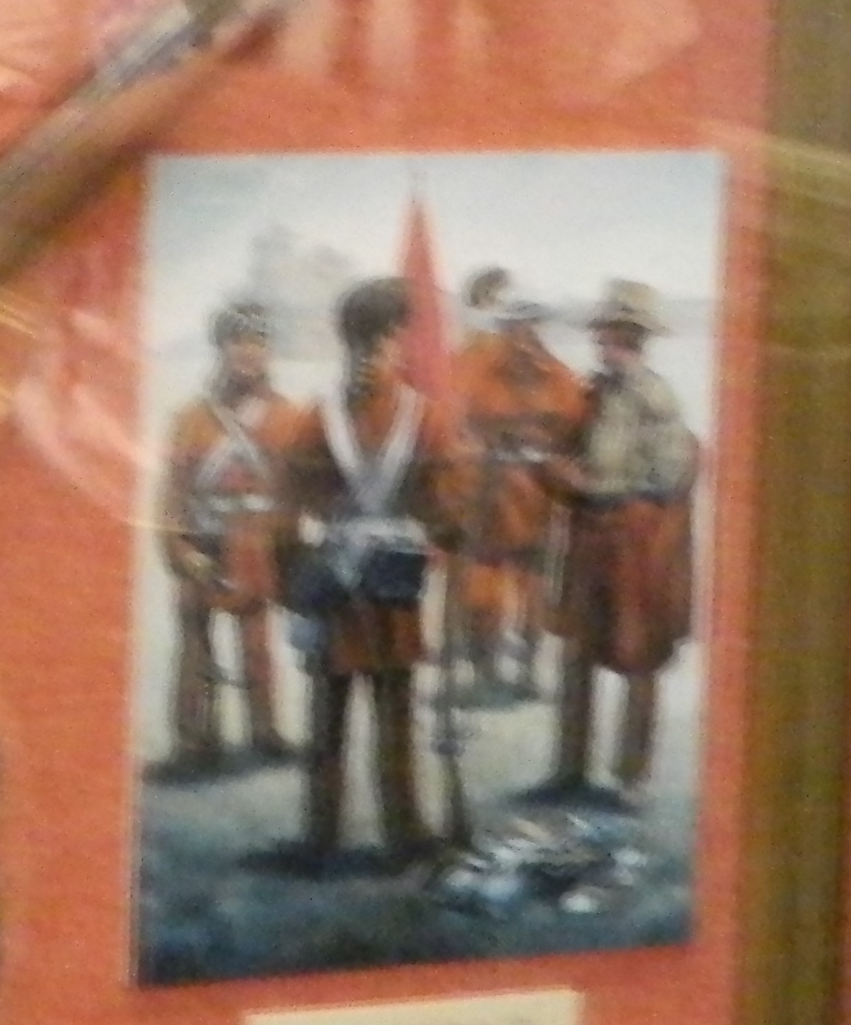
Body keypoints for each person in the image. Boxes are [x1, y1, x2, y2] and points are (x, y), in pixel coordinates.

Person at [280, 277, 452, 866]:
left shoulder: (322, 415)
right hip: (373, 583)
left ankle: (334, 836)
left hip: (353, 581)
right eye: (383, 337)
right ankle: (390, 835)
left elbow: (291, 498)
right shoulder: (417, 417)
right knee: (375, 713)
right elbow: (443, 503)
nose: (386, 348)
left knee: (347, 715)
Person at [539, 283, 701, 801]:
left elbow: (670, 475)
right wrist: (558, 471)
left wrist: (597, 486)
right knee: (576, 654)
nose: (602, 344)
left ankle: (631, 777)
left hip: (636, 544)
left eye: (611, 336)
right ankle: (569, 770)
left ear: (633, 339)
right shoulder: (590, 394)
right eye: (601, 335)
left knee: (639, 657)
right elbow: (563, 450)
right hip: (591, 540)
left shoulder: (656, 397)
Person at [152, 301, 300, 775]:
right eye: (238, 341)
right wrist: (181, 550)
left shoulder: (287, 417)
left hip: (256, 543)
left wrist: (287, 552)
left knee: (257, 640)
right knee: (194, 642)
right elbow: (173, 493)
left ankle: (265, 732)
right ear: (221, 348)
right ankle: (193, 741)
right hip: (203, 543)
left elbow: (295, 494)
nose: (248, 352)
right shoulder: (190, 419)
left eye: (258, 342)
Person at [439, 272, 584, 713]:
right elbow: (452, 427)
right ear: (502, 326)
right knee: (482, 595)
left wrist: (553, 458)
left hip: (538, 501)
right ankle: (484, 674)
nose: (523, 334)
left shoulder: (561, 377)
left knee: (535, 591)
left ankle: (527, 673)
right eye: (514, 324)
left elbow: (575, 433)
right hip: (487, 499)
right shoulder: (473, 367)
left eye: (531, 323)